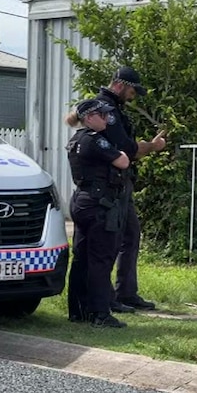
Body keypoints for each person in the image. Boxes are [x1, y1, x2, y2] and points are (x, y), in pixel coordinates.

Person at [96, 66, 167, 313]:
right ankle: (109, 298)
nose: (134, 95)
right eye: (133, 90)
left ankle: (126, 292)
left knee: (130, 235)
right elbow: (127, 148)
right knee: (113, 240)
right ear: (120, 84)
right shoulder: (106, 110)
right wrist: (153, 146)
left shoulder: (113, 108)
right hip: (109, 186)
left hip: (121, 184)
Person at [64, 98, 131, 328]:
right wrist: (120, 150)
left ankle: (77, 310)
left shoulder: (76, 139)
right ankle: (100, 314)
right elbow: (123, 161)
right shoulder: (95, 141)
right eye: (102, 115)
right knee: (101, 259)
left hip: (82, 202)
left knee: (81, 258)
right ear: (89, 117)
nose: (106, 119)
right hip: (98, 205)